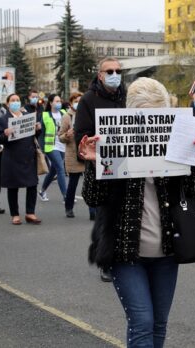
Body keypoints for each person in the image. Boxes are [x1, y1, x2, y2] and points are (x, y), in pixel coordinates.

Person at [79, 77, 195, 348]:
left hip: (166, 252)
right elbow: (93, 198)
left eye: (158, 113)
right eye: (147, 113)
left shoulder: (176, 143)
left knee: (159, 324)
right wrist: (93, 164)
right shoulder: (114, 141)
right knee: (141, 323)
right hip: (126, 253)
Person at [74, 57, 127, 281]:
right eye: (109, 71)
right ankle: (106, 260)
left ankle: (119, 252)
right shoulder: (88, 100)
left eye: (117, 70)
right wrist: (91, 150)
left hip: (128, 162)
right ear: (100, 75)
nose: (114, 74)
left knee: (123, 211)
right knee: (107, 212)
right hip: (102, 164)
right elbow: (81, 134)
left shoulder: (128, 97)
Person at [0, 93, 42, 226]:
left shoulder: (28, 117)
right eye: (13, 100)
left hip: (28, 156)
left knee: (32, 184)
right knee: (13, 186)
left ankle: (30, 212)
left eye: (17, 100)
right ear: (8, 104)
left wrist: (38, 129)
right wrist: (5, 133)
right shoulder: (3, 119)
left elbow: (35, 135)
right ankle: (15, 214)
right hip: (12, 157)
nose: (16, 102)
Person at [59, 92, 93, 219]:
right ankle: (69, 208)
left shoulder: (87, 115)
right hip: (73, 155)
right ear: (71, 102)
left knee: (90, 183)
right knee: (73, 184)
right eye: (76, 100)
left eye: (81, 100)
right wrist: (67, 135)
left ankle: (92, 211)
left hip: (87, 154)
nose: (79, 103)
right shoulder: (67, 117)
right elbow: (60, 137)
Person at [37, 94, 68, 202]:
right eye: (56, 101)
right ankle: (66, 196)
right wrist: (42, 148)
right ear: (50, 103)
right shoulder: (45, 115)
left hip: (63, 145)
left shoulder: (64, 113)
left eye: (60, 101)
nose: (59, 103)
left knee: (53, 171)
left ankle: (42, 191)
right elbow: (41, 133)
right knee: (60, 168)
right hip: (50, 146)